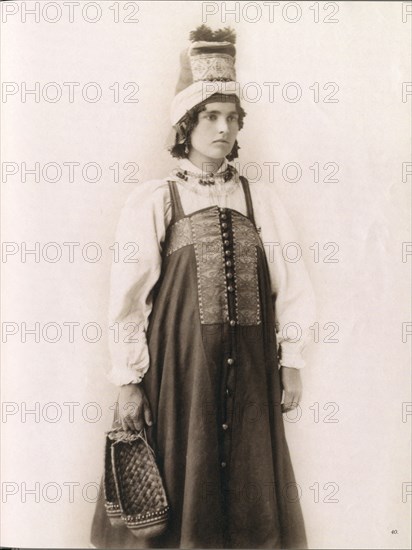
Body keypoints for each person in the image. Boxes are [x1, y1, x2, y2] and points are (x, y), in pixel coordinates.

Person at [90, 25, 316, 550]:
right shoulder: (157, 199)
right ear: (186, 124)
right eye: (211, 116)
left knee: (249, 485)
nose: (224, 128)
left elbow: (294, 285)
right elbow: (128, 299)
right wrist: (128, 378)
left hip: (253, 371)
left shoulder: (260, 202)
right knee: (180, 476)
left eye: (232, 118)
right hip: (181, 371)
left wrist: (293, 361)